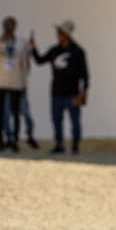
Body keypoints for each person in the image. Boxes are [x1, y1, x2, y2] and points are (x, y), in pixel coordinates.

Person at [30, 20, 89, 154]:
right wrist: (33, 48)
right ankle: (59, 144)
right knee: (57, 120)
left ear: (67, 34)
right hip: (56, 92)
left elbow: (84, 73)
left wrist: (84, 90)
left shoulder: (77, 51)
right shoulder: (54, 50)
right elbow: (40, 60)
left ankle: (75, 144)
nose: (58, 35)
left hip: (72, 92)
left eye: (60, 32)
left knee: (74, 120)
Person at [0, 17, 29, 152]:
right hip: (0, 82)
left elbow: (24, 66)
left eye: (9, 25)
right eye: (5, 25)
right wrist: (1, 41)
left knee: (15, 112)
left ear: (15, 26)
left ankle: (14, 141)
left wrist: (24, 84)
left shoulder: (20, 44)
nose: (7, 27)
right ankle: (0, 140)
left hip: (16, 82)